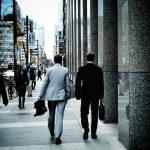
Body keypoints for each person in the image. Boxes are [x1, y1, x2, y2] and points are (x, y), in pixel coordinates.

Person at [38, 54, 70, 145]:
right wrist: (67, 95)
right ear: (61, 61)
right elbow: (67, 84)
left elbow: (45, 83)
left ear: (55, 60)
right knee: (60, 116)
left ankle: (51, 131)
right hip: (62, 96)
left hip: (51, 96)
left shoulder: (49, 70)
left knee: (51, 114)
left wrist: (41, 95)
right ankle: (58, 137)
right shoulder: (65, 70)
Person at [75, 52, 104, 140]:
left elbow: (77, 83)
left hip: (85, 94)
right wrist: (101, 95)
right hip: (95, 94)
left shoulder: (82, 69)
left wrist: (78, 94)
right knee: (94, 113)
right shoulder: (98, 69)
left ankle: (86, 129)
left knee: (84, 112)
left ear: (86, 58)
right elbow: (101, 84)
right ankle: (93, 133)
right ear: (94, 58)